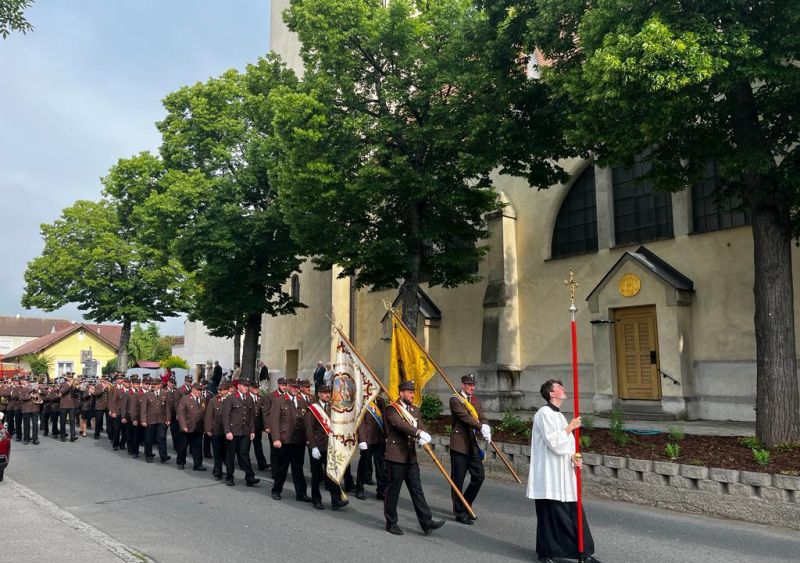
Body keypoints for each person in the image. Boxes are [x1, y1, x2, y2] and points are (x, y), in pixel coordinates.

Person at [527, 379, 600, 563]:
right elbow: (554, 443)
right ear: (551, 393)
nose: (563, 389)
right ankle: (546, 553)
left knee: (572, 513)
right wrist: (571, 427)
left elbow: (566, 445)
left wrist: (575, 458)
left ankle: (583, 553)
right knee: (549, 515)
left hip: (563, 474)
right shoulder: (543, 414)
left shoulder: (559, 415)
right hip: (549, 476)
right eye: (559, 387)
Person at [383, 380, 444, 536]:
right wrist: (418, 433)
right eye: (409, 392)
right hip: (396, 455)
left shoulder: (414, 410)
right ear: (401, 393)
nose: (412, 394)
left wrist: (424, 434)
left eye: (413, 392)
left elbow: (420, 425)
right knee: (393, 491)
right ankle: (391, 522)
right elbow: (399, 425)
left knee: (417, 490)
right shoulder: (392, 409)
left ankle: (426, 521)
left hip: (410, 456)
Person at [449, 373, 490, 525]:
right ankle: (459, 511)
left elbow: (481, 416)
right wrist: (480, 426)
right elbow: (464, 417)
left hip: (472, 445)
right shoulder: (455, 400)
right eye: (468, 385)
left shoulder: (475, 401)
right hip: (459, 444)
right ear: (463, 385)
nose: (471, 387)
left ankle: (466, 503)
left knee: (479, 476)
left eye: (473, 385)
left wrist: (486, 426)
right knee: (457, 480)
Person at [305, 384, 348, 510]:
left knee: (332, 474)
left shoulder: (331, 408)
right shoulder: (313, 408)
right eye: (324, 393)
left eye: (328, 393)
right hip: (317, 447)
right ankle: (316, 499)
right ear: (318, 394)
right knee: (316, 475)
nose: (327, 395)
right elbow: (309, 429)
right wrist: (313, 447)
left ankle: (336, 501)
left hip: (330, 447)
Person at [268, 379, 310, 502]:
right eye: (293, 387)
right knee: (282, 468)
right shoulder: (279, 400)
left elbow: (305, 421)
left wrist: (307, 438)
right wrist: (276, 438)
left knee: (298, 469)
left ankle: (301, 494)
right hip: (284, 440)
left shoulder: (302, 401)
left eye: (298, 387)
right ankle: (276, 490)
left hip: (298, 440)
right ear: (287, 387)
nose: (296, 389)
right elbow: (274, 421)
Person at [221, 378, 259, 487]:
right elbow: (226, 416)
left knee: (244, 454)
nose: (246, 387)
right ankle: (229, 477)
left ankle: (250, 477)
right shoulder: (231, 398)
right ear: (238, 386)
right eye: (244, 385)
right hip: (233, 431)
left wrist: (252, 430)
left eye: (248, 386)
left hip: (245, 432)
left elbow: (251, 416)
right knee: (231, 456)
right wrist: (227, 431)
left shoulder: (249, 398)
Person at [356, 395, 387, 500]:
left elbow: (384, 418)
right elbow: (360, 420)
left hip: (380, 438)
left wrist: (387, 435)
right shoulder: (363, 400)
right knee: (363, 465)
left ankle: (381, 491)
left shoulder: (380, 400)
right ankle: (359, 489)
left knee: (381, 467)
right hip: (367, 439)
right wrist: (362, 439)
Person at [177, 382, 208, 471]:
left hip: (198, 427)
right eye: (198, 390)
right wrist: (183, 426)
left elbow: (204, 413)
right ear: (193, 389)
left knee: (197, 447)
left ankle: (197, 464)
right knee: (183, 446)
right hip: (187, 427)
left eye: (200, 390)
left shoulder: (202, 399)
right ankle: (181, 462)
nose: (199, 392)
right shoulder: (185, 399)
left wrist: (205, 427)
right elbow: (181, 413)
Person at [140, 379, 172, 464]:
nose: (153, 385)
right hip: (150, 420)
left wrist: (168, 419)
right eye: (152, 384)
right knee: (149, 439)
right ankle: (148, 455)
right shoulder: (147, 395)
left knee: (161, 437)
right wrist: (143, 420)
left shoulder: (165, 394)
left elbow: (168, 408)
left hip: (161, 420)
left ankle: (163, 456)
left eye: (155, 384)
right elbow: (143, 409)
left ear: (160, 385)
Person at [205, 380, 230, 480]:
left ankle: (223, 470)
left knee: (226, 453)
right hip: (216, 431)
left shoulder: (231, 400)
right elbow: (208, 416)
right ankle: (218, 471)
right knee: (217, 452)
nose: (220, 391)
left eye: (222, 390)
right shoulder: (213, 401)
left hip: (228, 432)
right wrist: (208, 429)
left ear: (227, 390)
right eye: (219, 390)